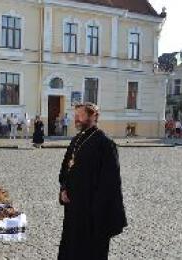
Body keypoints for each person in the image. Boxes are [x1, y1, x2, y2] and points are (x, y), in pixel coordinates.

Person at [58, 102, 127, 260]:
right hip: (73, 208)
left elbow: (111, 183)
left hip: (92, 212)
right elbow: (65, 168)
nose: (76, 119)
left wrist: (98, 210)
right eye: (76, 116)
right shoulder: (76, 140)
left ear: (93, 116)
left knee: (90, 251)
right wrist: (63, 188)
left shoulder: (105, 144)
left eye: (80, 115)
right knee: (71, 246)